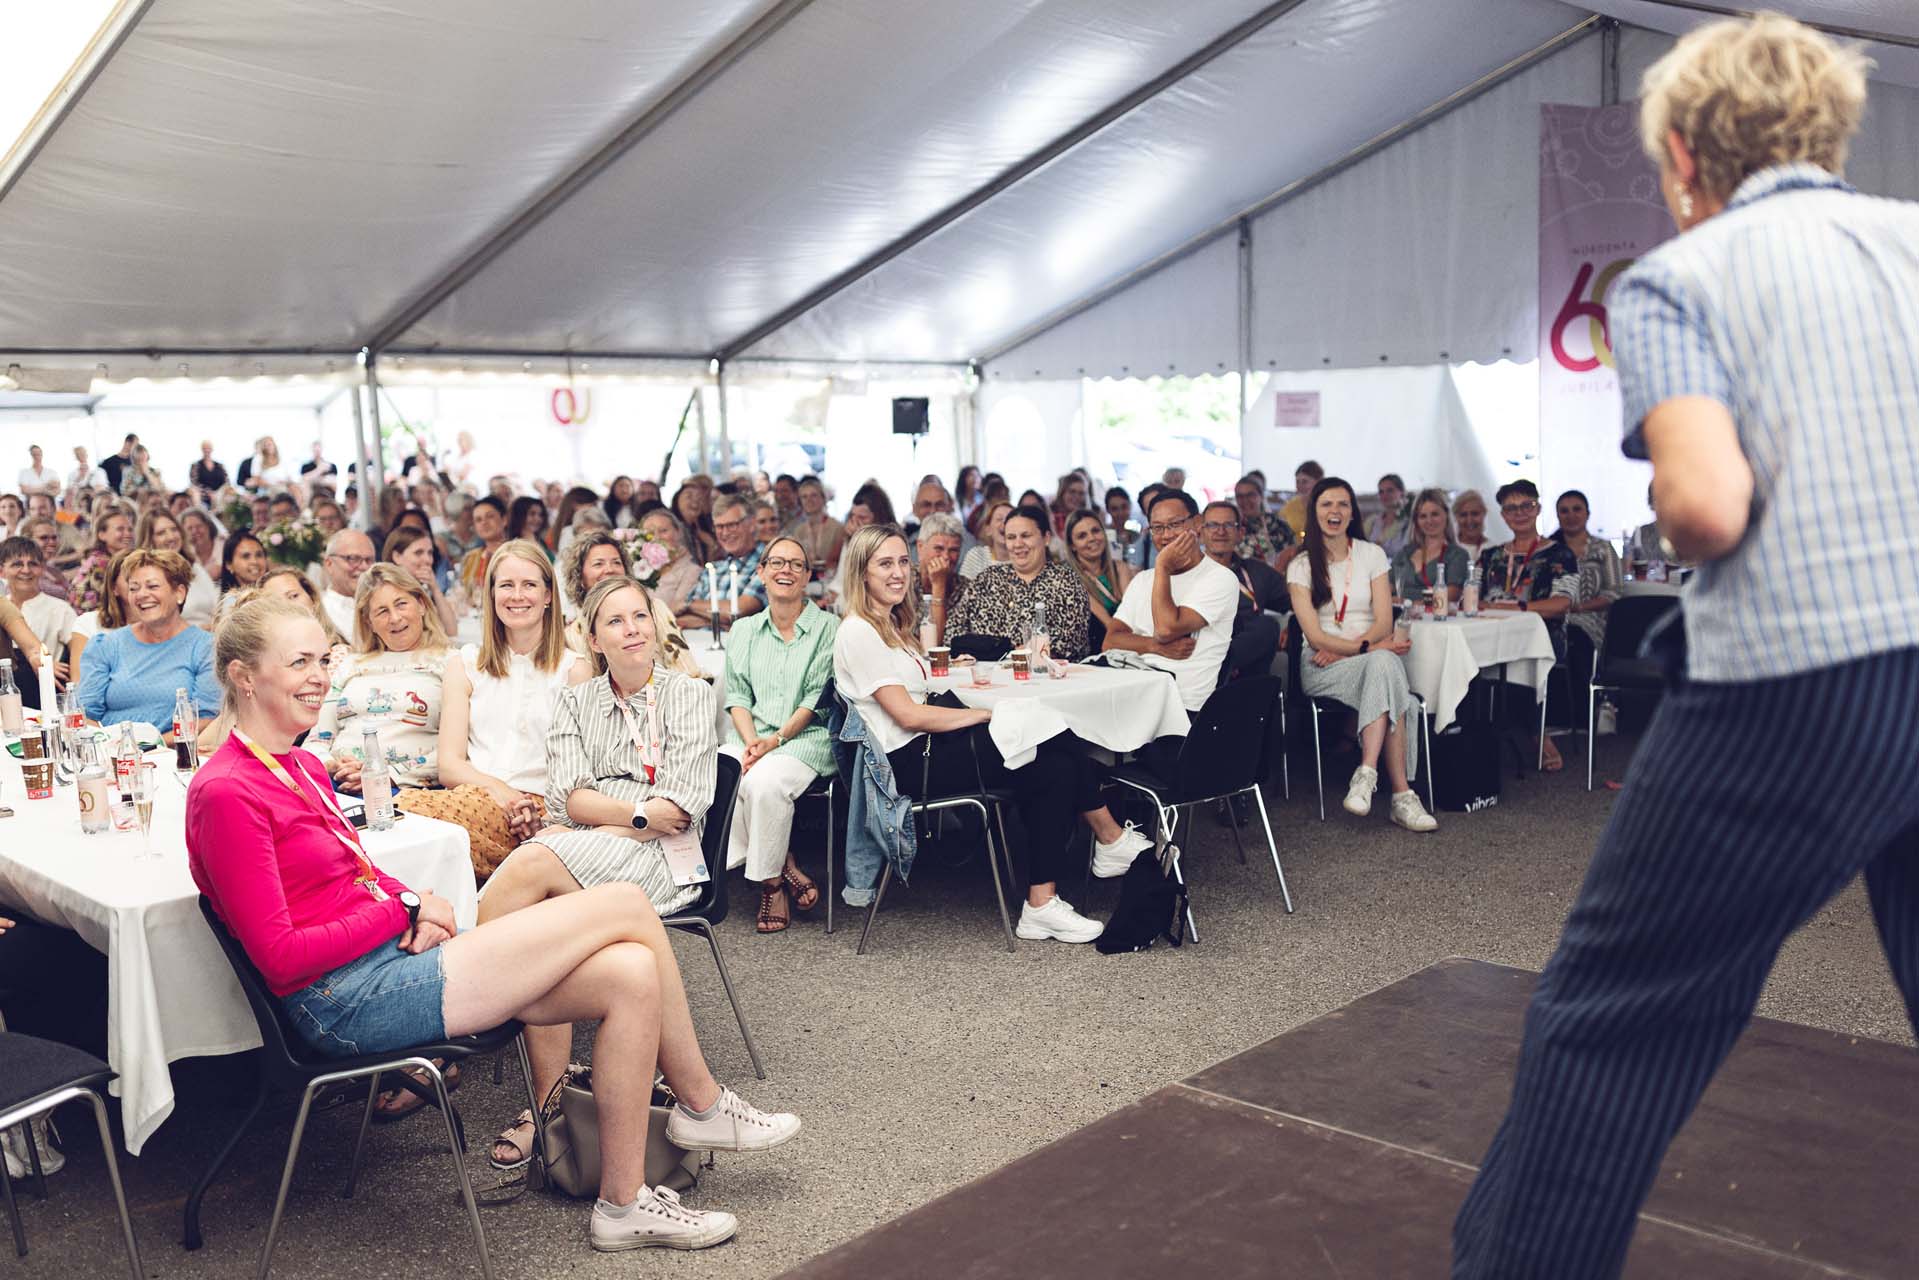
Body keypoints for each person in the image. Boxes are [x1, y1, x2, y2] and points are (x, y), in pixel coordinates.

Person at [1454, 17, 1919, 1278]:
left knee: (1609, 1023)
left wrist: (1669, 492)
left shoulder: (1676, 277)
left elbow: (1705, 508)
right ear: (1829, 130)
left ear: (1676, 156)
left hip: (1795, 681)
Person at [189, 595, 782, 1250]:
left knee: (630, 971)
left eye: (323, 659)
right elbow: (279, 955)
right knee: (626, 905)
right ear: (245, 676)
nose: (320, 676)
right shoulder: (225, 791)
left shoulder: (300, 765)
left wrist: (403, 901)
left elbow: (353, 867)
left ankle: (622, 1205)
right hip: (342, 1003)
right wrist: (402, 909)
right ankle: (701, 1105)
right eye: (298, 662)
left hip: (386, 966)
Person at [475, 576, 771, 1172]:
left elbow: (683, 804)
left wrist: (606, 819)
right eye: (616, 621)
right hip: (603, 846)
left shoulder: (689, 694)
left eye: (641, 616)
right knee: (540, 902)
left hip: (668, 862)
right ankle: (549, 1104)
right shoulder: (574, 702)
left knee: (534, 860)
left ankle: (454, 992)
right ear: (593, 638)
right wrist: (634, 812)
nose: (633, 629)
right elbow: (565, 801)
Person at [834, 525, 1149, 935]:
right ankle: (1105, 840)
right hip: (907, 765)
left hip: (927, 748)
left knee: (1053, 765)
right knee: (1041, 731)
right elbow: (908, 715)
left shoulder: (890, 624)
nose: (898, 573)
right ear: (862, 573)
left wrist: (961, 671)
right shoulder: (858, 631)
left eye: (902, 563)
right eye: (884, 564)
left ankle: (1043, 901)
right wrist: (984, 716)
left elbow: (918, 684)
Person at [399, 540, 589, 880]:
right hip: (475, 796)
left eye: (529, 585)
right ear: (491, 595)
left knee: (405, 818)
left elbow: (580, 770)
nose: (517, 596)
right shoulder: (466, 665)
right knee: (400, 821)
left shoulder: (574, 670)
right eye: (506, 585)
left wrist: (535, 812)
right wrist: (502, 792)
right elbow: (450, 765)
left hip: (542, 809)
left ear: (548, 596)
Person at [1286, 478, 1436, 832]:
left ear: (1353, 512)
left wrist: (1358, 652)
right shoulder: (1301, 565)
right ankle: (1401, 796)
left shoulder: (1371, 554)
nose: (1334, 511)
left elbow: (1385, 620)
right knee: (1387, 665)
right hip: (1321, 665)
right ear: (1315, 512)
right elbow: (1315, 635)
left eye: (1342, 504)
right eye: (1326, 504)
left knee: (1385, 665)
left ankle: (1366, 774)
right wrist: (1365, 650)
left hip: (1360, 657)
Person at [717, 536, 837, 933]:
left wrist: (775, 742)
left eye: (796, 565)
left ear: (807, 577)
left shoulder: (827, 627)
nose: (786, 570)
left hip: (805, 738)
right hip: (752, 734)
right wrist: (753, 742)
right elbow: (737, 695)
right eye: (777, 563)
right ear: (761, 572)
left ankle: (770, 887)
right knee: (722, 772)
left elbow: (816, 699)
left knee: (764, 783)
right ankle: (784, 865)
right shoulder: (744, 629)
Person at [308, 563, 450, 794]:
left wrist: (386, 775)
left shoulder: (451, 662)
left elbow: (458, 751)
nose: (395, 618)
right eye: (382, 611)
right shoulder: (350, 664)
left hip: (403, 788)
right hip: (336, 781)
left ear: (422, 605)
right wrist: (332, 765)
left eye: (401, 604)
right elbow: (317, 738)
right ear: (368, 622)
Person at [1102, 491, 1240, 713]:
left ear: (1197, 523)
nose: (1165, 535)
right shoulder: (1143, 580)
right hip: (1133, 694)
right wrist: (1155, 647)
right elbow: (1111, 640)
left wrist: (1163, 567)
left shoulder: (1220, 578)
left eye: (1174, 524)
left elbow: (1166, 629)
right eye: (1157, 528)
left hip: (1183, 707)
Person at [1478, 479, 1583, 770]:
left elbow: (1562, 603)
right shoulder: (1490, 556)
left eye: (1527, 505)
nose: (1520, 512)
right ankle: (1474, 735)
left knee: (1522, 657)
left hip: (1542, 635)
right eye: (1511, 508)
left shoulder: (1560, 554)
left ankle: (1538, 733)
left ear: (1537, 508)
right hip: (1492, 632)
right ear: (1503, 515)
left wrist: (1518, 608)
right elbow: (1472, 598)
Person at [75, 548, 218, 729]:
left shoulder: (204, 647)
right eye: (134, 588)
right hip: (112, 751)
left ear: (179, 593)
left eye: (152, 586)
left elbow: (207, 719)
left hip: (175, 752)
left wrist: (154, 745)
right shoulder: (107, 645)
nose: (141, 595)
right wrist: (114, 746)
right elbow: (85, 714)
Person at [941, 505, 1089, 661]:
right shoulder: (986, 580)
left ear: (1046, 538)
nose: (1018, 544)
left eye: (1025, 536)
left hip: (1045, 678)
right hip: (987, 677)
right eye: (1011, 537)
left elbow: (1072, 645)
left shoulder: (1066, 583)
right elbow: (952, 635)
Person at [1552, 488, 1623, 658]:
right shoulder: (1550, 550)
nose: (1571, 516)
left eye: (1577, 509)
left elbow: (1614, 592)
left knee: (1574, 637)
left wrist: (1579, 608)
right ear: (1558, 516)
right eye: (1564, 511)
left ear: (1587, 514)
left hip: (1592, 620)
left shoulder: (1603, 548)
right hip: (1554, 618)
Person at [678, 494, 766, 630]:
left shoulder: (768, 564)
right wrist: (717, 620)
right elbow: (682, 619)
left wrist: (687, 604)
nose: (725, 533)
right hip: (700, 645)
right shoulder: (712, 569)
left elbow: (737, 611)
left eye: (732, 525)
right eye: (719, 526)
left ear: (752, 524)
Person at [0, 536, 74, 681]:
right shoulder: (3, 606)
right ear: (2, 571)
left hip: (43, 685)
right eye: (17, 564)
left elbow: (81, 652)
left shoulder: (61, 609)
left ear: (42, 569)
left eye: (33, 564)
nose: (26, 570)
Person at [1065, 508, 1137, 650]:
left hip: (1128, 641)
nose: (1091, 538)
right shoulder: (1071, 579)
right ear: (1072, 545)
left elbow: (1133, 613)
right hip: (1098, 651)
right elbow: (1109, 624)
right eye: (1082, 536)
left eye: (1095, 531)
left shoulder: (1120, 567)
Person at [137, 508, 219, 629]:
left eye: (174, 529)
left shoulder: (194, 567)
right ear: (149, 540)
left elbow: (217, 606)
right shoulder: (146, 578)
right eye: (161, 533)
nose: (171, 537)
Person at [1198, 502, 1285, 613]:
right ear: (1201, 534)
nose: (1221, 532)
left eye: (1229, 525)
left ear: (1240, 533)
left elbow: (1297, 600)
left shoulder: (1257, 572)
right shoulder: (1186, 573)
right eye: (1213, 525)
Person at [1389, 488, 1471, 605]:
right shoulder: (1404, 553)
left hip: (1434, 619)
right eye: (1423, 516)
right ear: (1416, 521)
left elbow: (1451, 596)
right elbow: (1386, 588)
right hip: (1400, 617)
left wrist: (1411, 604)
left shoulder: (1457, 555)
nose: (1429, 521)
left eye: (1434, 514)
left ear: (1446, 515)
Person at [383, 525, 459, 637]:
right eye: (418, 553)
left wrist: (435, 589)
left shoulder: (421, 588)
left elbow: (451, 631)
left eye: (429, 553)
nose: (428, 560)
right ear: (397, 556)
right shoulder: (386, 591)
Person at [69, 502, 135, 614]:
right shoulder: (99, 563)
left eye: (130, 529)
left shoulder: (118, 559)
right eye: (120, 529)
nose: (127, 534)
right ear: (102, 535)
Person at [319, 528, 376, 643]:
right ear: (329, 564)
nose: (364, 567)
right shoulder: (320, 612)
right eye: (353, 559)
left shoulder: (383, 603)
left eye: (369, 560)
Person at [1233, 473, 1294, 567]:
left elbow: (1292, 556)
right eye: (1240, 496)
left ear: (1261, 496)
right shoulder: (1232, 528)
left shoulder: (1279, 526)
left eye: (1250, 495)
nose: (1245, 500)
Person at [787, 475, 843, 576]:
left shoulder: (837, 528)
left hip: (832, 579)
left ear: (823, 498)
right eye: (804, 497)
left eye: (814, 495)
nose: (809, 500)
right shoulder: (799, 531)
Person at [458, 495, 508, 596]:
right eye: (478, 520)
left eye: (490, 516)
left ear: (504, 520)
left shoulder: (519, 554)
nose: (484, 523)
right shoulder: (470, 558)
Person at [1364, 473, 1413, 558]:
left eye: (1390, 490)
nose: (1385, 495)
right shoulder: (1372, 521)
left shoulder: (1409, 523)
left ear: (1402, 492)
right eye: (1381, 492)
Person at [1279, 460, 1325, 543]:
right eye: (1297, 482)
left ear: (1319, 482)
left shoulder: (1329, 506)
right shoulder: (1290, 507)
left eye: (1305, 482)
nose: (1299, 486)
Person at [670, 483, 718, 562]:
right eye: (689, 496)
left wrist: (711, 546)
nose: (695, 501)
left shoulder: (701, 531)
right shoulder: (673, 529)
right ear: (677, 500)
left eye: (699, 498)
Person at [217, 530, 269, 596]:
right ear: (229, 565)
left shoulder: (276, 593)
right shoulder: (231, 604)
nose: (254, 561)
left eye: (259, 555)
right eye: (246, 556)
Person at [1451, 488, 1492, 565]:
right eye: (1463, 515)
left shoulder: (1493, 550)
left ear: (1484, 514)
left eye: (1475, 514)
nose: (1469, 521)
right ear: (1456, 517)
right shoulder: (1447, 550)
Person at [1049, 472, 1090, 539]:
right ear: (1062, 492)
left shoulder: (1087, 518)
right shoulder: (1051, 516)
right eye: (1072, 491)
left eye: (1081, 493)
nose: (1076, 497)